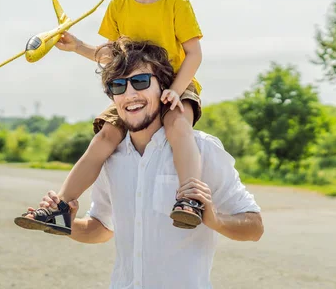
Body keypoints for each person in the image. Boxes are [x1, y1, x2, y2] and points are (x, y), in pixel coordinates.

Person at [25, 38, 264, 289]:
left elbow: (254, 227)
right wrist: (66, 225)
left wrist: (214, 220)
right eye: (118, 86)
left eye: (140, 82)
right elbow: (102, 227)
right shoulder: (109, 158)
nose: (129, 95)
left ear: (165, 88)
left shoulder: (202, 150)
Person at [52, 0, 206, 228]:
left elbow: (194, 54)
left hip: (175, 83)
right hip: (132, 87)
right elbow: (112, 56)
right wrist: (77, 45)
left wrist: (175, 90)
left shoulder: (178, 4)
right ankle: (60, 208)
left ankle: (190, 199)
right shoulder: (118, 6)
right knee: (105, 135)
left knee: (177, 125)